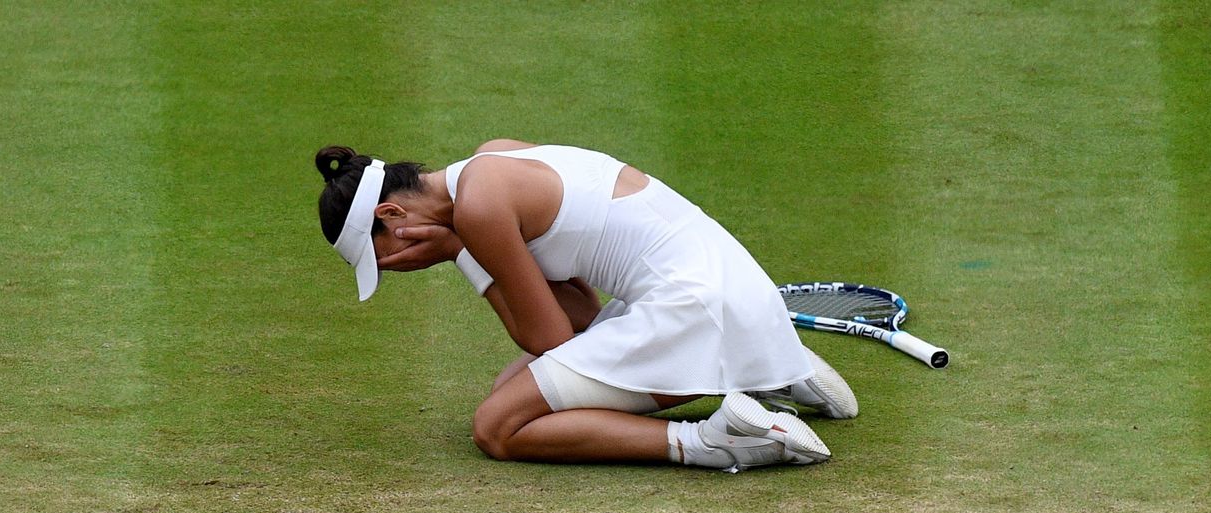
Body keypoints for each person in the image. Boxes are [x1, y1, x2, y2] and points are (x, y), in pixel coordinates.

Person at [314, 140, 857, 471]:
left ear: (391, 214)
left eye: (382, 258)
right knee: (515, 393)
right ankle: (771, 367)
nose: (395, 269)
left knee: (498, 427)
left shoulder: (479, 211)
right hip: (729, 294)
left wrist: (462, 251)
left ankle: (717, 441)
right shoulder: (494, 157)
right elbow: (581, 311)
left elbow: (552, 340)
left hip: (694, 310)